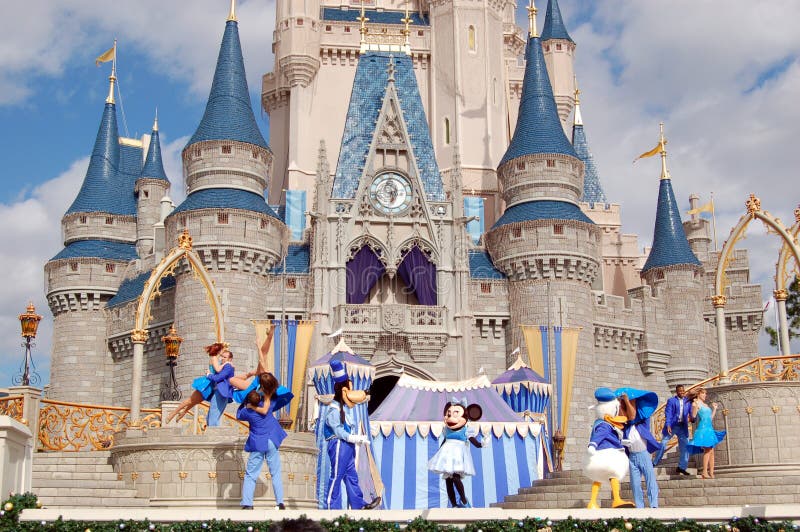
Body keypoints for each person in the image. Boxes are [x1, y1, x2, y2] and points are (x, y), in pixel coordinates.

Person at [323, 359, 381, 510]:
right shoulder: (333, 410)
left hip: (347, 446)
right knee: (336, 475)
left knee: (352, 476)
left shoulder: (345, 411)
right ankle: (331, 507)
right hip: (338, 444)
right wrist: (353, 437)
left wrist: (356, 439)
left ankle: (358, 505)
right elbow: (337, 430)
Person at [237, 375, 287, 510]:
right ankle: (280, 502)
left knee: (251, 474)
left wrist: (245, 403)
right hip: (271, 441)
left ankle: (247, 503)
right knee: (275, 473)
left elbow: (238, 414)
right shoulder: (269, 404)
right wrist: (267, 392)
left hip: (258, 443)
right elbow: (277, 393)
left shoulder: (247, 411)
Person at [584, 388, 635, 509]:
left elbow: (608, 437)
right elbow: (599, 435)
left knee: (597, 478)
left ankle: (592, 502)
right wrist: (593, 445)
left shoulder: (601, 423)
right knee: (614, 474)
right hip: (607, 454)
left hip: (598, 455)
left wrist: (623, 442)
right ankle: (617, 499)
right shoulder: (605, 425)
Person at [427, 398, 482, 508]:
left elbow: (472, 440)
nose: (451, 417)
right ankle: (454, 504)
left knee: (456, 477)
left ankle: (463, 500)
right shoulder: (447, 429)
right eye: (449, 414)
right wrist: (439, 454)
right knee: (448, 480)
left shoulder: (466, 429)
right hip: (447, 454)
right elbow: (445, 440)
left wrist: (480, 444)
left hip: (458, 454)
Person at [164, 342, 234, 425]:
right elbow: (218, 370)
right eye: (222, 349)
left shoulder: (217, 358)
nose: (223, 351)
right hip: (207, 384)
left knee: (194, 401)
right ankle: (172, 414)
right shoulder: (214, 357)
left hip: (211, 385)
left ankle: (182, 413)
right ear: (218, 350)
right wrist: (227, 363)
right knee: (189, 401)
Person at [619, 392, 660, 509]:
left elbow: (632, 416)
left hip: (643, 454)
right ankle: (639, 506)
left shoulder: (643, 420)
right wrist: (621, 403)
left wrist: (628, 400)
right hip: (632, 456)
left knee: (650, 479)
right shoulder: (626, 426)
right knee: (635, 483)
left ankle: (654, 505)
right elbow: (625, 417)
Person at [687, 387, 726, 479]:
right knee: (708, 450)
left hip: (709, 429)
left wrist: (715, 409)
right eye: (703, 393)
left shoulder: (705, 405)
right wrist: (693, 408)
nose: (705, 395)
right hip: (703, 429)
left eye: (705, 393)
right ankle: (704, 472)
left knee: (711, 451)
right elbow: (693, 416)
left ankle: (711, 472)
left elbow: (710, 418)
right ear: (699, 394)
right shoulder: (695, 403)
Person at [652, 384, 692, 475]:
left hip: (683, 427)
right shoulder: (671, 401)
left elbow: (690, 412)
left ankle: (682, 467)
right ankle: (655, 462)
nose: (682, 392)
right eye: (680, 391)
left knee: (685, 447)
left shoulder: (687, 401)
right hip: (673, 426)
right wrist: (668, 425)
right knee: (663, 443)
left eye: (683, 390)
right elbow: (668, 413)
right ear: (677, 392)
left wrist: (692, 418)